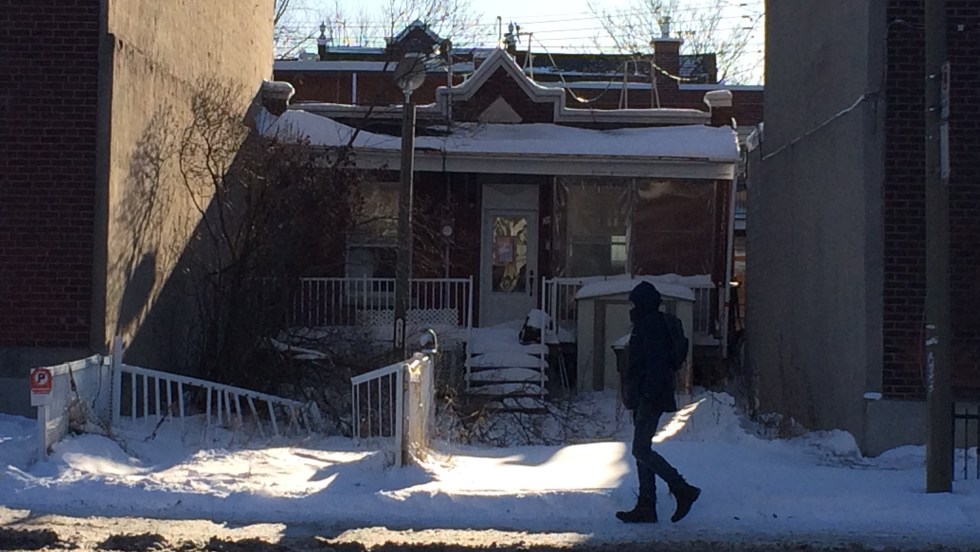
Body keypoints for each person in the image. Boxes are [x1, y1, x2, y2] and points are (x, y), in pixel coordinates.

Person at [616, 281, 701, 524]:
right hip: (645, 395)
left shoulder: (651, 325)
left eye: (633, 303)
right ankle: (646, 505)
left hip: (649, 396)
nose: (631, 307)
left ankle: (682, 488)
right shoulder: (649, 323)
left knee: (640, 449)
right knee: (642, 450)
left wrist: (647, 396)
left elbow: (655, 365)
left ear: (642, 303)